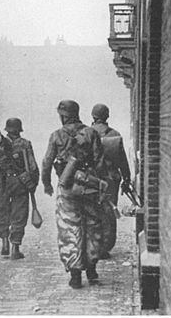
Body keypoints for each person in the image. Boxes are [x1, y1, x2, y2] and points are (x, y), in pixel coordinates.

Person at [41, 100, 108, 289]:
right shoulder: (91, 133)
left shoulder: (56, 135)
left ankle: (75, 274)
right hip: (89, 187)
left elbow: (46, 163)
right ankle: (92, 268)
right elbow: (100, 163)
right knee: (93, 225)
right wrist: (99, 183)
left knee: (69, 228)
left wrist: (47, 184)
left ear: (63, 115)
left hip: (67, 187)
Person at [0, 118, 39, 260]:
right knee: (19, 212)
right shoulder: (25, 144)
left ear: (7, 129)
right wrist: (32, 184)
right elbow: (33, 167)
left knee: (1, 210)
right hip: (19, 182)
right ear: (19, 130)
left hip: (2, 180)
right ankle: (15, 248)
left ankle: (4, 243)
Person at [91, 103, 131, 258]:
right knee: (109, 212)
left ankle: (93, 244)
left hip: (92, 180)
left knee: (92, 211)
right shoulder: (115, 134)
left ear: (93, 117)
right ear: (107, 116)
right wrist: (126, 179)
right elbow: (122, 161)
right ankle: (105, 247)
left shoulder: (86, 133)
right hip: (111, 180)